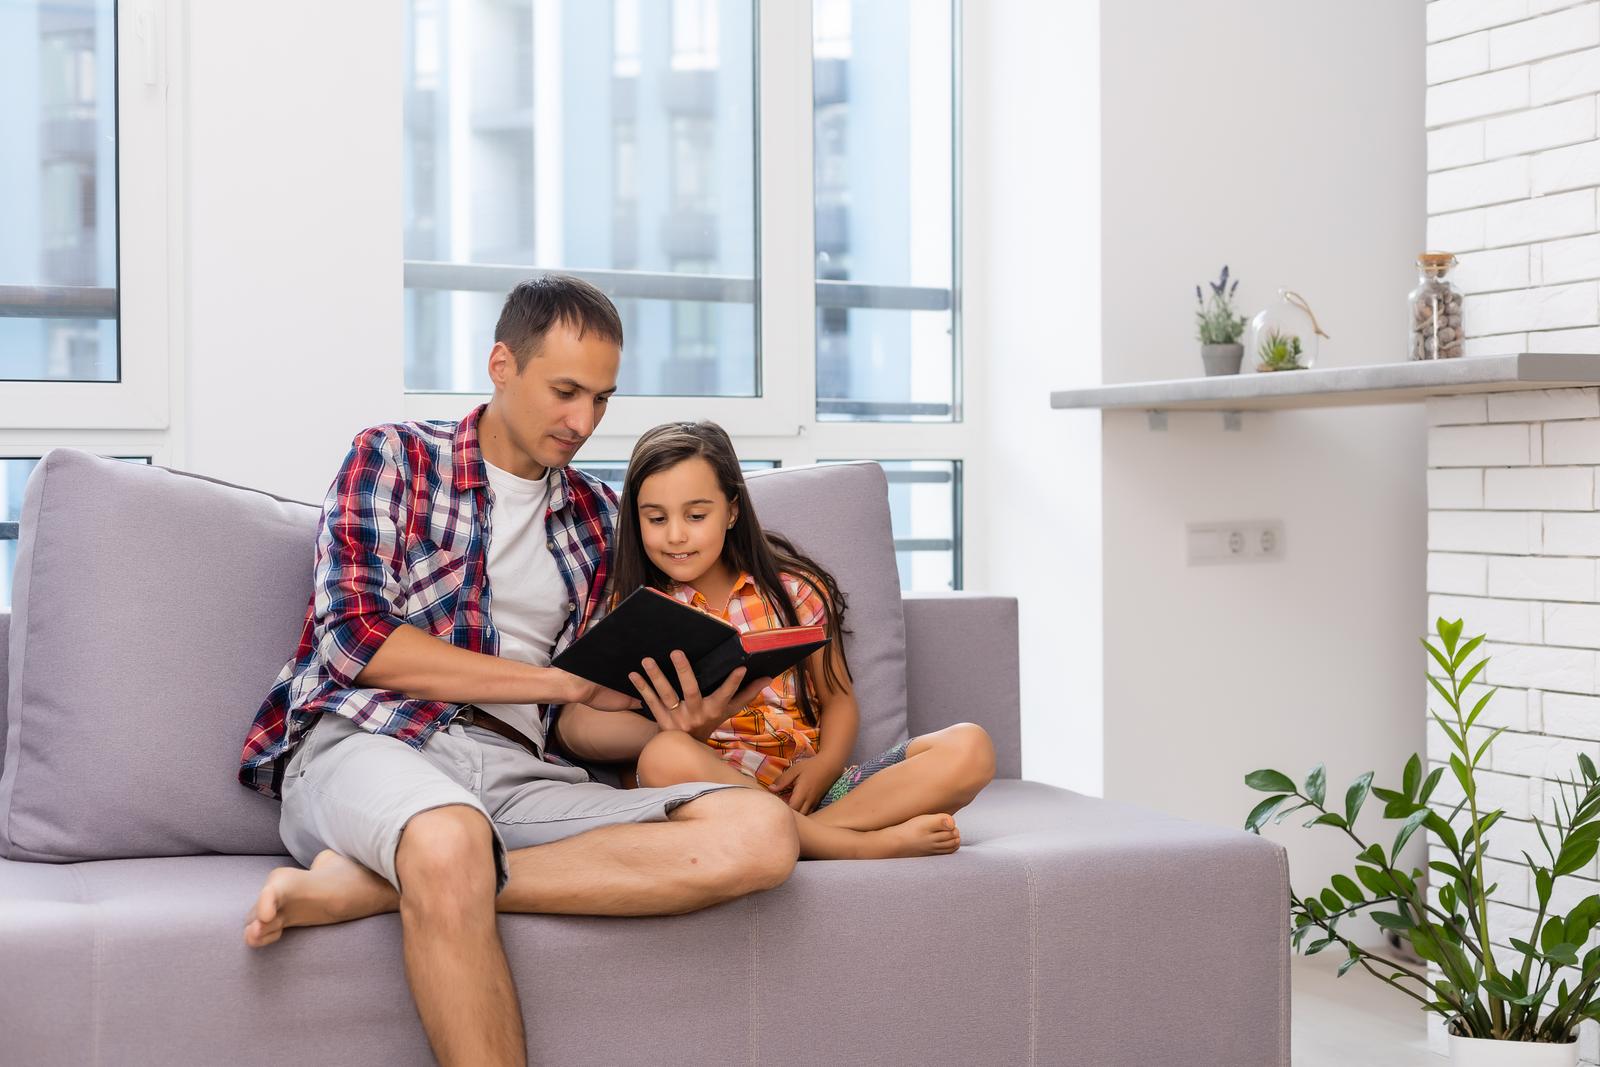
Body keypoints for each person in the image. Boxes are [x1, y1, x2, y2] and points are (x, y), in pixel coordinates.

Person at [235, 276, 799, 1067]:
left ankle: (386, 881)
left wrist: (670, 719)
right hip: (371, 738)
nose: (583, 421)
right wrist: (555, 683)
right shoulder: (392, 456)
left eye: (601, 399)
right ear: (502, 363)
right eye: (565, 391)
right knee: (447, 837)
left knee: (760, 833)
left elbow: (579, 719)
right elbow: (356, 641)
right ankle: (436, 866)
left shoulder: (601, 516)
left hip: (517, 768)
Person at [557, 420, 995, 860]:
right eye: (656, 518)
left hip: (808, 789)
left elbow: (839, 699)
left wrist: (825, 767)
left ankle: (810, 836)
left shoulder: (794, 591)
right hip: (713, 794)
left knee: (970, 746)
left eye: (696, 515)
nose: (675, 535)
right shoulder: (634, 609)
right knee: (663, 754)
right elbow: (577, 726)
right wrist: (674, 728)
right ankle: (855, 845)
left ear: (731, 510)